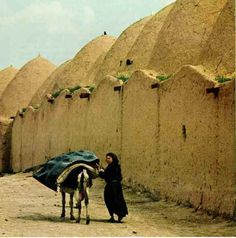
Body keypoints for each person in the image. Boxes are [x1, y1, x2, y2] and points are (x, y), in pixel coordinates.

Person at [98, 152, 128, 223]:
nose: (107, 159)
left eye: (109, 158)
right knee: (118, 200)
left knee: (110, 200)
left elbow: (105, 175)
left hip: (111, 187)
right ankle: (118, 215)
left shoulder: (111, 167)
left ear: (113, 158)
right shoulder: (116, 166)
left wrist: (100, 171)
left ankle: (113, 216)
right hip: (117, 186)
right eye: (106, 158)